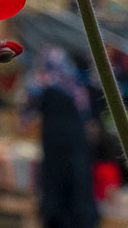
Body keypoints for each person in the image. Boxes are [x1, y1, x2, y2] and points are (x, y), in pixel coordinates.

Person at [26, 48, 99, 228]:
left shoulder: (43, 84)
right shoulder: (76, 85)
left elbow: (27, 115)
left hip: (58, 149)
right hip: (73, 149)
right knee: (75, 192)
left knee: (58, 197)